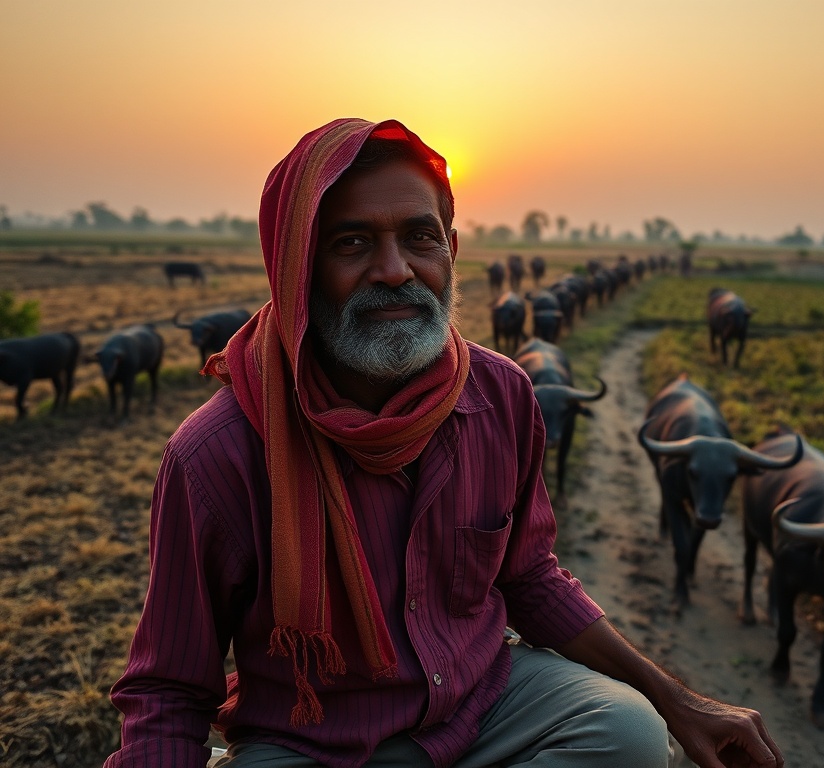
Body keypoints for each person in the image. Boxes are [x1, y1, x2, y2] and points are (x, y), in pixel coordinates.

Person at [104, 118, 784, 768]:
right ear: (296, 269)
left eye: (419, 237)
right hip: (315, 741)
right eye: (352, 243)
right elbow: (168, 688)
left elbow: (530, 577)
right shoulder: (218, 453)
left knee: (629, 733)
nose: (395, 269)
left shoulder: (503, 397)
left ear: (451, 253)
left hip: (481, 704)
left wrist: (676, 701)